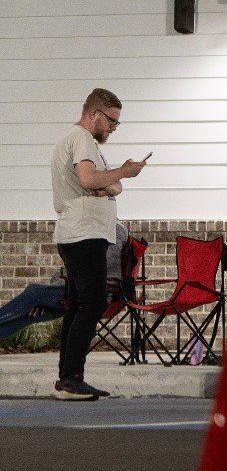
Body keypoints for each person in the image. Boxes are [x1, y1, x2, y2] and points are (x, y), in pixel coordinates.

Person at [49, 88, 144, 401]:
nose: (112, 129)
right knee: (93, 302)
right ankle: (71, 378)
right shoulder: (81, 139)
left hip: (81, 233)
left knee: (78, 304)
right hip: (83, 233)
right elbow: (91, 179)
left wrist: (113, 181)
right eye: (111, 121)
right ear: (94, 114)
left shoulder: (81, 142)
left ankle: (68, 377)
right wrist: (124, 173)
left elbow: (109, 184)